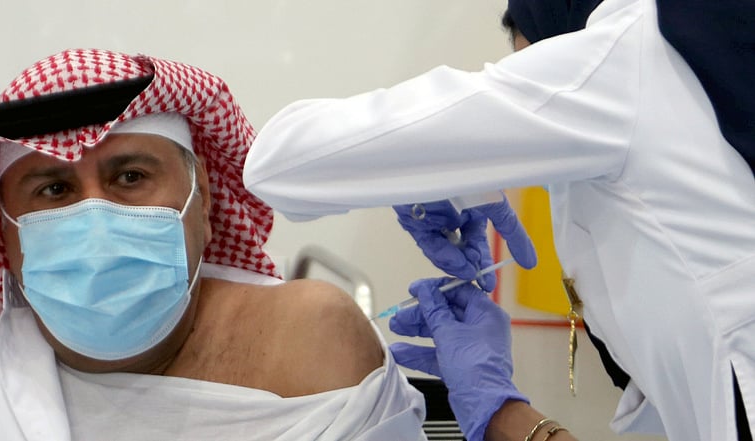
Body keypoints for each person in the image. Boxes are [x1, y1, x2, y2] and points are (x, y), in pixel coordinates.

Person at [243, 0, 755, 439]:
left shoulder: (623, 59)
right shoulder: (706, 46)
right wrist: (507, 414)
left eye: (524, 68)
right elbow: (683, 389)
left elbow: (276, 160)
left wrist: (421, 177)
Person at [0, 48, 428, 441]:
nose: (94, 212)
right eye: (53, 188)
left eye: (130, 177)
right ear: (2, 231)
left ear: (202, 199)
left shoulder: (310, 339)